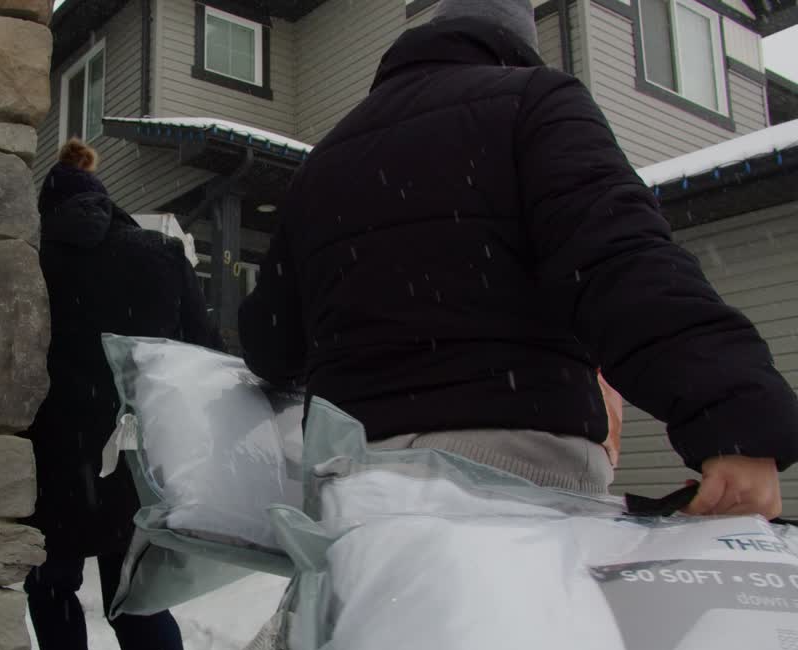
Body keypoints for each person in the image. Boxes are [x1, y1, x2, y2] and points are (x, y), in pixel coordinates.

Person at [239, 0, 798, 518]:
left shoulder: (325, 160)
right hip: (510, 478)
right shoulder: (536, 102)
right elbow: (620, 257)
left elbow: (269, 342)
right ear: (515, 44)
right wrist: (730, 412)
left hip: (350, 491)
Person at [24, 139, 219, 650]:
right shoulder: (159, 254)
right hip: (132, 453)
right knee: (136, 593)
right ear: (106, 201)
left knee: (52, 582)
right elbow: (204, 356)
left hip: (49, 455)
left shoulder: (27, 258)